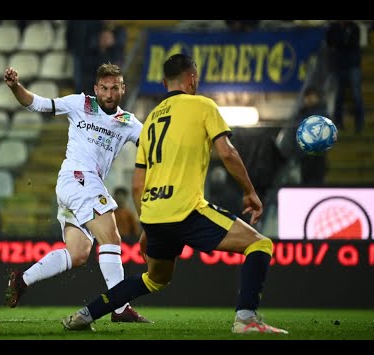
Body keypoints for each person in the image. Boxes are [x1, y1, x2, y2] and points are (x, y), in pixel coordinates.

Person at [62, 53, 288, 334]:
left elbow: (137, 184)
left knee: (154, 279)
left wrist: (147, 226)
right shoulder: (203, 105)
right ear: (192, 79)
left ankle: (87, 313)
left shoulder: (151, 120)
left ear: (163, 82)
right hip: (188, 209)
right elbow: (228, 153)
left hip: (155, 215)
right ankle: (246, 319)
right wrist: (250, 192)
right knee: (260, 245)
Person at [2, 63, 151, 323]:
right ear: (96, 89)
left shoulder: (127, 122)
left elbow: (152, 142)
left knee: (79, 253)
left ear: (123, 89)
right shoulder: (80, 104)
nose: (108, 94)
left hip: (79, 188)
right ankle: (119, 307)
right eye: (103, 88)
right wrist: (16, 87)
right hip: (78, 178)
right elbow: (37, 103)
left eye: (114, 88)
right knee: (112, 237)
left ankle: (22, 279)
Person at [326, 20, 365, 134]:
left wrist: (341, 42)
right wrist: (343, 41)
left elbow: (352, 43)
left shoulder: (354, 27)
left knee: (357, 95)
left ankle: (359, 123)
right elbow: (330, 42)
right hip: (339, 65)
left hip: (353, 65)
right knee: (339, 95)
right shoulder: (333, 28)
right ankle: (338, 122)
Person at [294, 86, 331, 185]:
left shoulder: (322, 114)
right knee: (305, 182)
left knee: (317, 182)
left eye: (312, 96)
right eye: (307, 97)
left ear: (317, 98)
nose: (309, 99)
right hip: (304, 155)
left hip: (318, 155)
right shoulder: (301, 113)